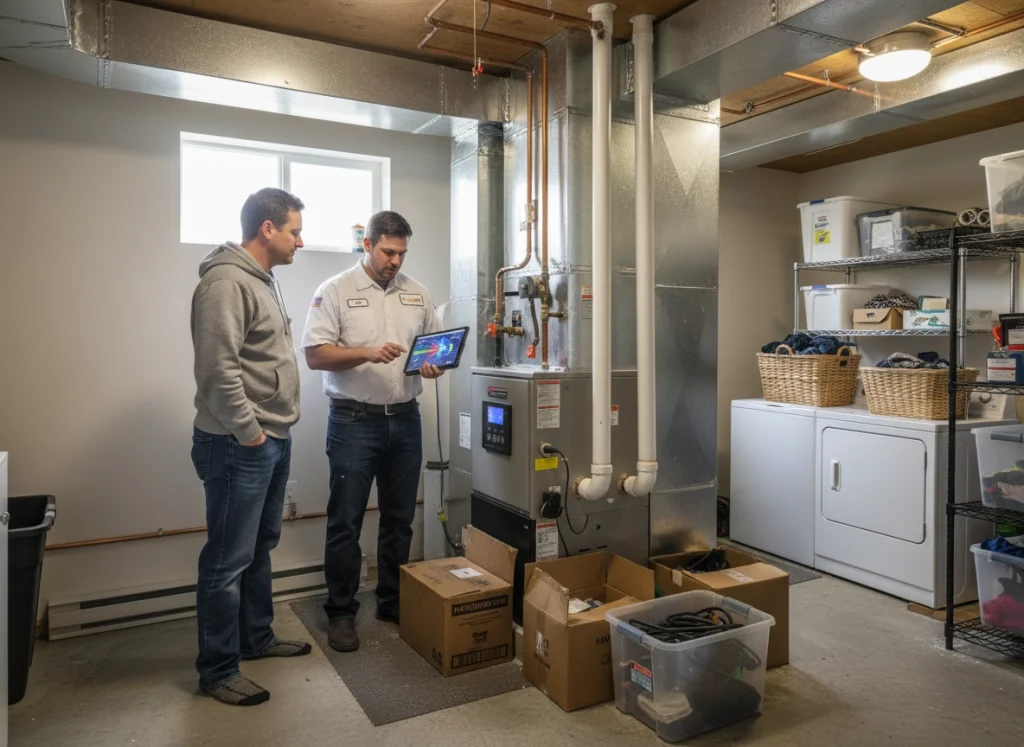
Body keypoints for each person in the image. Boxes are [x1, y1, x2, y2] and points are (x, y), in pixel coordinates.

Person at [190, 187, 312, 707]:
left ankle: (256, 638)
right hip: (240, 444)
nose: (299, 241)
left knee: (259, 547)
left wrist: (270, 435)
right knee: (225, 560)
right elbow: (217, 372)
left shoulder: (265, 281)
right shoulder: (224, 283)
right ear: (268, 229)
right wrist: (252, 433)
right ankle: (218, 670)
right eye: (294, 230)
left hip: (270, 439)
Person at [302, 210, 443, 653]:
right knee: (345, 521)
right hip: (353, 422)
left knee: (399, 519)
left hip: (405, 419)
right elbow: (315, 355)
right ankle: (341, 612)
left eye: (401, 253)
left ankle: (392, 600)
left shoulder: (418, 294)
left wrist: (432, 363)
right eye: (388, 251)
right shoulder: (336, 290)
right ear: (368, 244)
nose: (395, 260)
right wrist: (366, 352)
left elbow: (432, 348)